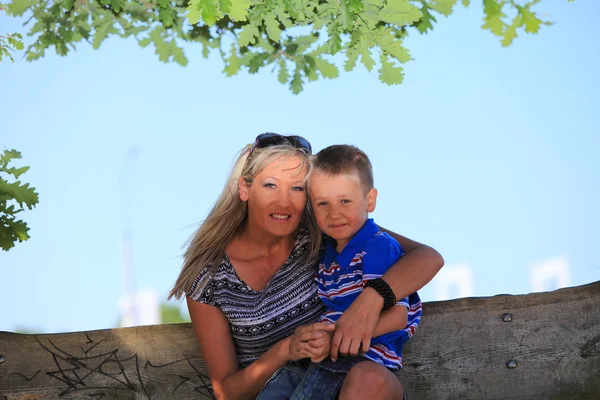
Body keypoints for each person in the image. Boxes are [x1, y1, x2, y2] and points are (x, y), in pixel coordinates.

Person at [169, 133, 444, 400]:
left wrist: (370, 300)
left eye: (297, 188)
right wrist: (286, 349)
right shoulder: (209, 278)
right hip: (282, 390)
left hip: (356, 383)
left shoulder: (326, 230)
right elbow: (227, 392)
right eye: (270, 185)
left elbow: (428, 258)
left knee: (369, 380)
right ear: (244, 189)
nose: (284, 202)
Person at [258, 144, 421, 400]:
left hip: (361, 357)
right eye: (323, 204)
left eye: (345, 201)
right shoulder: (328, 253)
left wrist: (336, 337)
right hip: (327, 358)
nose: (334, 214)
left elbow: (398, 318)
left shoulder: (377, 247)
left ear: (370, 200)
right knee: (280, 384)